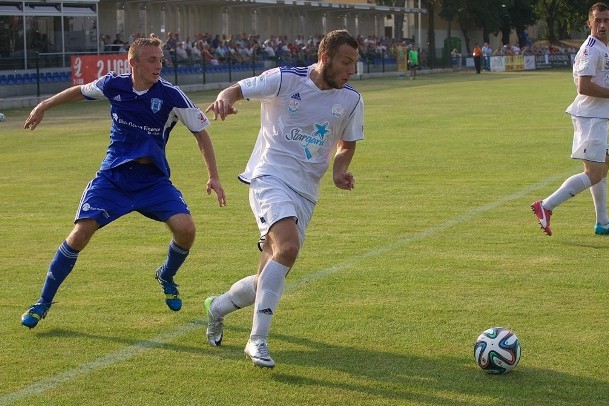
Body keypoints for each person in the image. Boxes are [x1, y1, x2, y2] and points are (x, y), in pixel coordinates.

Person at [20, 37, 226, 329]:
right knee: (79, 234)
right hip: (113, 178)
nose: (159, 65)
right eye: (152, 60)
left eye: (161, 60)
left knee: (186, 229)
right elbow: (79, 91)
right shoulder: (113, 85)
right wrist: (45, 104)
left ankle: (166, 274)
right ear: (134, 63)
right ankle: (42, 302)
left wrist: (214, 176)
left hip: (152, 181)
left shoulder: (172, 95)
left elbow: (201, 133)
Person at [203, 29, 364, 368]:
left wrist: (339, 170)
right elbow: (238, 89)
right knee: (288, 248)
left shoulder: (350, 99)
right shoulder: (285, 79)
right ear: (325, 58)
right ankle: (256, 340)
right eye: (346, 62)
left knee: (267, 277)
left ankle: (217, 307)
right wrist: (225, 99)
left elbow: (347, 143)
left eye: (355, 63)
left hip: (306, 191)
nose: (351, 70)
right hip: (269, 176)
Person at [531, 2, 609, 236]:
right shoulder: (591, 49)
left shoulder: (602, 46)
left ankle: (603, 222)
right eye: (598, 20)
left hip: (597, 116)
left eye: (606, 20)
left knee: (603, 167)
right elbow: (583, 86)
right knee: (594, 173)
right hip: (590, 118)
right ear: (589, 23)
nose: (603, 25)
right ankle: (545, 206)